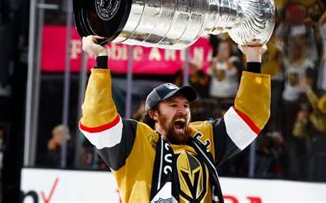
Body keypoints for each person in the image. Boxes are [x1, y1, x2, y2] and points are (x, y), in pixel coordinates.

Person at [79, 36, 270, 202]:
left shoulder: (203, 138)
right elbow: (98, 119)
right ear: (153, 114)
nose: (182, 110)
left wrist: (254, 58)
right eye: (173, 105)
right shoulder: (134, 142)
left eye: (186, 106)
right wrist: (101, 60)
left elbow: (250, 115)